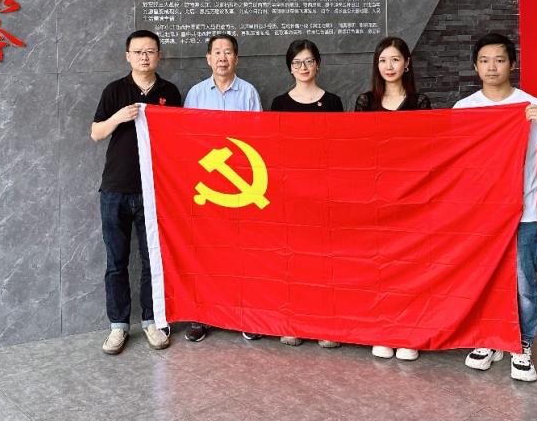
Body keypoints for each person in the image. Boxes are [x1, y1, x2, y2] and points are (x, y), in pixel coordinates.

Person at [454, 32, 537, 382]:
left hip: (523, 212)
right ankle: (488, 338)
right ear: (475, 66)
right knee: (482, 277)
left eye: (499, 60)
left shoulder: (531, 105)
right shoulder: (464, 109)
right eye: (485, 60)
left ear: (512, 64)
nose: (492, 67)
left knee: (523, 282)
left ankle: (521, 343)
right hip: (479, 214)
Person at [91, 30, 182, 355]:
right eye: (139, 51)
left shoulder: (169, 92)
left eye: (150, 51)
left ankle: (151, 321)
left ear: (159, 55)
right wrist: (119, 117)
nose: (145, 57)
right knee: (116, 262)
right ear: (128, 56)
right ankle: (118, 326)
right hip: (115, 188)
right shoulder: (115, 90)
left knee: (151, 259)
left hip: (154, 191)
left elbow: (179, 138)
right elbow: (96, 133)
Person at [354, 36, 431, 362]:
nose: (389, 66)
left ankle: (409, 332)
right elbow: (357, 149)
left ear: (407, 63)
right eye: (383, 60)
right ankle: (382, 330)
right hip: (375, 197)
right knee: (379, 267)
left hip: (411, 198)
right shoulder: (364, 102)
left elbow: (427, 150)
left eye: (395, 59)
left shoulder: (420, 102)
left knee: (409, 267)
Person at [183, 33, 262, 342]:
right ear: (208, 58)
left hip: (242, 186)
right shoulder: (196, 93)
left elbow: (259, 138)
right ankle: (202, 317)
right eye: (217, 52)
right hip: (206, 185)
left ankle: (245, 316)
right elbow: (185, 136)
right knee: (206, 252)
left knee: (243, 253)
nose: (222, 58)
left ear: (236, 58)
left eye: (228, 52)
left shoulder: (249, 92)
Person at [271, 39, 344, 349]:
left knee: (325, 260)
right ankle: (294, 323)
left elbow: (341, 149)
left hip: (325, 191)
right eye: (297, 62)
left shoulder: (333, 102)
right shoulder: (279, 103)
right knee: (294, 260)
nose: (303, 67)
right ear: (290, 67)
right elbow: (274, 150)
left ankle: (326, 325)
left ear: (318, 65)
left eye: (309, 61)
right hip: (291, 193)